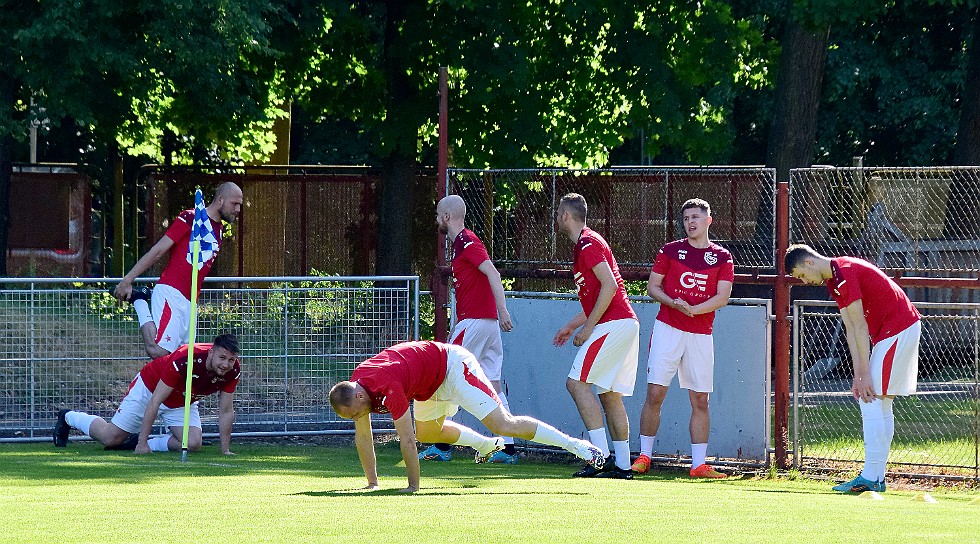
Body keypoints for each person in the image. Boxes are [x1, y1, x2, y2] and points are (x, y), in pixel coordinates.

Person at [329, 341, 604, 493]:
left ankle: (579, 447)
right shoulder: (356, 389)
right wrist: (373, 483)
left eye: (355, 414)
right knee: (428, 433)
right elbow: (363, 437)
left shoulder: (388, 388)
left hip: (452, 368)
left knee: (502, 423)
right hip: (427, 384)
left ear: (360, 397)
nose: (358, 418)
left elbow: (408, 442)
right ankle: (485, 446)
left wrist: (412, 486)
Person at [785, 244, 921, 493]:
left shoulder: (844, 271)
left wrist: (864, 374)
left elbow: (859, 326)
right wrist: (859, 375)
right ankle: (876, 478)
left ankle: (871, 477)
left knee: (870, 400)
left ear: (809, 263)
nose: (804, 281)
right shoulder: (834, 279)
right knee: (878, 400)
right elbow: (850, 327)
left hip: (898, 328)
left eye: (801, 275)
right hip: (889, 333)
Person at [631, 199, 734, 479]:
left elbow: (722, 297)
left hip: (701, 334)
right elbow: (653, 287)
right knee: (655, 394)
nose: (691, 222)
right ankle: (644, 456)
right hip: (668, 328)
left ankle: (698, 464)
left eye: (697, 217)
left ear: (709, 220)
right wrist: (675, 304)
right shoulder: (670, 250)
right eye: (687, 217)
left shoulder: (722, 257)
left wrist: (695, 310)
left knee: (700, 400)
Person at [419, 195, 517, 464]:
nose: (437, 219)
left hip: (474, 322)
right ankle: (508, 450)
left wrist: (504, 311)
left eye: (439, 214)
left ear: (447, 217)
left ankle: (441, 445)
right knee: (494, 387)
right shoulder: (461, 244)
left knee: (446, 375)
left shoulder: (466, 241)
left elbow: (493, 274)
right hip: (487, 326)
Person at [552, 193, 640, 479]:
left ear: (566, 215)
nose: (556, 217)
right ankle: (623, 466)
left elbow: (610, 285)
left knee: (576, 384)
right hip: (621, 322)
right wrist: (573, 325)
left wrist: (588, 327)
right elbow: (596, 297)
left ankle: (598, 459)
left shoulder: (588, 243)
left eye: (557, 212)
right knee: (610, 394)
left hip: (613, 323)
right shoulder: (585, 244)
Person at [53, 333, 242, 455]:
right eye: (222, 358)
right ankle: (69, 417)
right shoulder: (186, 358)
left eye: (231, 360)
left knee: (192, 443)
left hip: (182, 400)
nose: (226, 364)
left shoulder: (232, 370)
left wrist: (225, 450)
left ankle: (147, 442)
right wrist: (141, 445)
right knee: (110, 437)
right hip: (150, 390)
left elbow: (226, 411)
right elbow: (155, 401)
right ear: (210, 353)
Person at [113, 182, 244, 358]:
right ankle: (139, 300)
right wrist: (128, 279)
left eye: (239, 205)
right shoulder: (191, 218)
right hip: (172, 292)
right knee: (158, 351)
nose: (237, 209)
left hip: (190, 302)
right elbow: (158, 251)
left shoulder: (219, 230)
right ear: (220, 200)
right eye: (234, 203)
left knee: (181, 361)